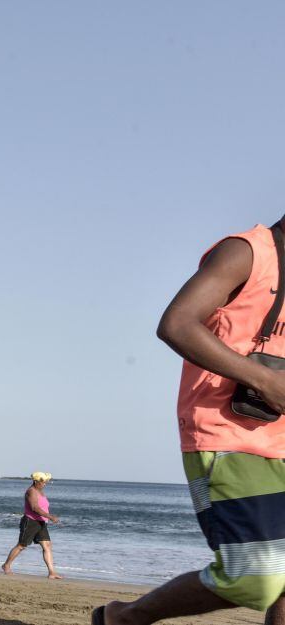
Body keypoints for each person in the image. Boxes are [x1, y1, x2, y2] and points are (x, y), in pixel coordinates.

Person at [93, 222, 285, 625]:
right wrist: (265, 380)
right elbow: (177, 323)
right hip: (229, 435)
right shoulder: (247, 252)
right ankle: (123, 618)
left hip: (279, 438)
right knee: (254, 577)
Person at [1, 472, 62, 580]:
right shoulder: (31, 491)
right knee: (22, 546)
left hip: (41, 522)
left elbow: (43, 507)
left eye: (45, 482)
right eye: (43, 482)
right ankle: (6, 565)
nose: (45, 484)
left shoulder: (40, 491)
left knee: (47, 546)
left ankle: (52, 572)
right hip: (30, 521)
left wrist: (47, 517)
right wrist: (50, 516)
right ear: (36, 481)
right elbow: (34, 508)